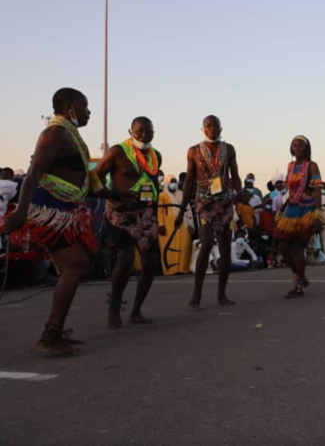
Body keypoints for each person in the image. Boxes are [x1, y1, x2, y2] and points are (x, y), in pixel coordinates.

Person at [0, 88, 126, 354]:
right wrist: (21, 212)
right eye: (85, 106)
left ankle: (54, 332)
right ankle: (50, 336)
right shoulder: (54, 133)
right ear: (70, 107)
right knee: (76, 265)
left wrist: (120, 195)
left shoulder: (71, 136)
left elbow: (90, 187)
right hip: (51, 209)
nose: (89, 111)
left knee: (81, 262)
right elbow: (33, 174)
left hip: (68, 208)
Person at [94, 117, 164, 327]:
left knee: (151, 263)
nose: (145, 135)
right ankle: (114, 307)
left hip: (145, 214)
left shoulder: (156, 156)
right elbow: (94, 178)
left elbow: (153, 186)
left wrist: (156, 215)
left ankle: (136, 311)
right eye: (140, 131)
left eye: (149, 131)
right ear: (130, 131)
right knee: (125, 259)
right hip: (120, 214)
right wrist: (114, 195)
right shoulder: (117, 152)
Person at [176, 115, 241, 308]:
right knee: (205, 245)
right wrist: (181, 211)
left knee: (225, 249)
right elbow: (188, 182)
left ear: (222, 129)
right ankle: (197, 293)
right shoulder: (194, 151)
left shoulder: (229, 149)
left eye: (216, 126)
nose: (213, 129)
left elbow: (235, 175)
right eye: (209, 126)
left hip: (224, 203)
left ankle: (222, 295)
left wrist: (239, 191)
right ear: (203, 129)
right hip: (204, 202)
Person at [273, 136, 323, 298]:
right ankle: (301, 276)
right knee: (282, 248)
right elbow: (291, 191)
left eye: (300, 145)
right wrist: (283, 208)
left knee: (297, 248)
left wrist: (317, 214)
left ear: (306, 148)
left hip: (306, 210)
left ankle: (299, 286)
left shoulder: (312, 166)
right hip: (291, 209)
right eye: (294, 145)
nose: (297, 148)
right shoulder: (290, 166)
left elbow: (316, 191)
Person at [157, 175, 193, 275]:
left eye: (174, 181)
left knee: (184, 246)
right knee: (168, 248)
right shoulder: (162, 195)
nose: (173, 183)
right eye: (171, 181)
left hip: (183, 226)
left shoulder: (182, 194)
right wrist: (161, 225)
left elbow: (188, 210)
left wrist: (190, 224)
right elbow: (159, 212)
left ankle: (183, 268)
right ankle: (170, 270)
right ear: (167, 182)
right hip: (168, 227)